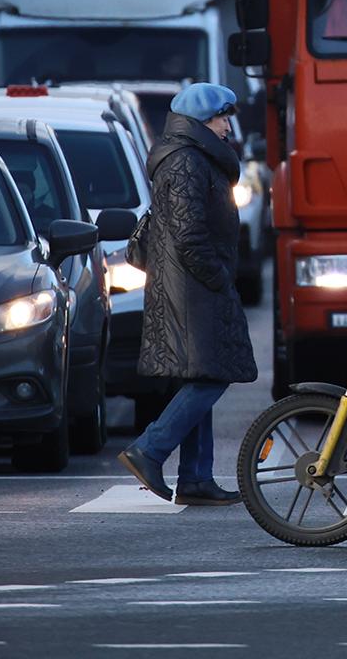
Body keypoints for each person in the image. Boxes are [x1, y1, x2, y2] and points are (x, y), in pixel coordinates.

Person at [116, 83, 257, 506]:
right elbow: (188, 233)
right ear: (201, 120)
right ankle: (150, 449)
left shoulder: (196, 157)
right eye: (221, 118)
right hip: (192, 288)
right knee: (212, 375)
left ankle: (195, 478)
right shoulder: (185, 161)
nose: (228, 127)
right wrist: (216, 277)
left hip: (192, 285)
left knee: (201, 373)